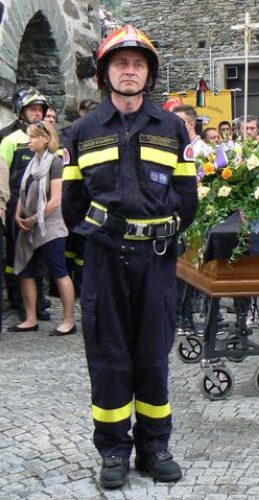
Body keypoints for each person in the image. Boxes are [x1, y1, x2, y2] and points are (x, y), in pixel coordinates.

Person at [61, 24, 197, 488]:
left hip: (156, 259)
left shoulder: (173, 128)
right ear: (105, 73)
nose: (130, 71)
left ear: (150, 74)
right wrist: (99, 247)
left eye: (138, 64)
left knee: (152, 356)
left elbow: (188, 198)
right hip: (104, 258)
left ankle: (154, 447)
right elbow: (72, 205)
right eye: (121, 63)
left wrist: (158, 230)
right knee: (109, 355)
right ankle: (114, 451)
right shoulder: (81, 131)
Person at [9, 121, 75, 335]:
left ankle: (69, 320)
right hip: (30, 226)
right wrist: (19, 215)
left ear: (45, 139)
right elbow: (24, 192)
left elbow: (56, 200)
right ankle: (30, 318)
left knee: (59, 272)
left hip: (51, 228)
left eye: (32, 137)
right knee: (26, 272)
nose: (28, 141)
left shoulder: (54, 163)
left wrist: (35, 218)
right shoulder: (32, 164)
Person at [0, 87, 53, 321]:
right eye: (33, 109)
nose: (37, 113)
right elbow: (3, 175)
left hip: (42, 203)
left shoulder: (50, 139)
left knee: (39, 254)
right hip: (16, 204)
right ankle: (18, 300)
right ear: (22, 112)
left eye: (40, 109)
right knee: (17, 254)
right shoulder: (10, 140)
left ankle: (38, 301)